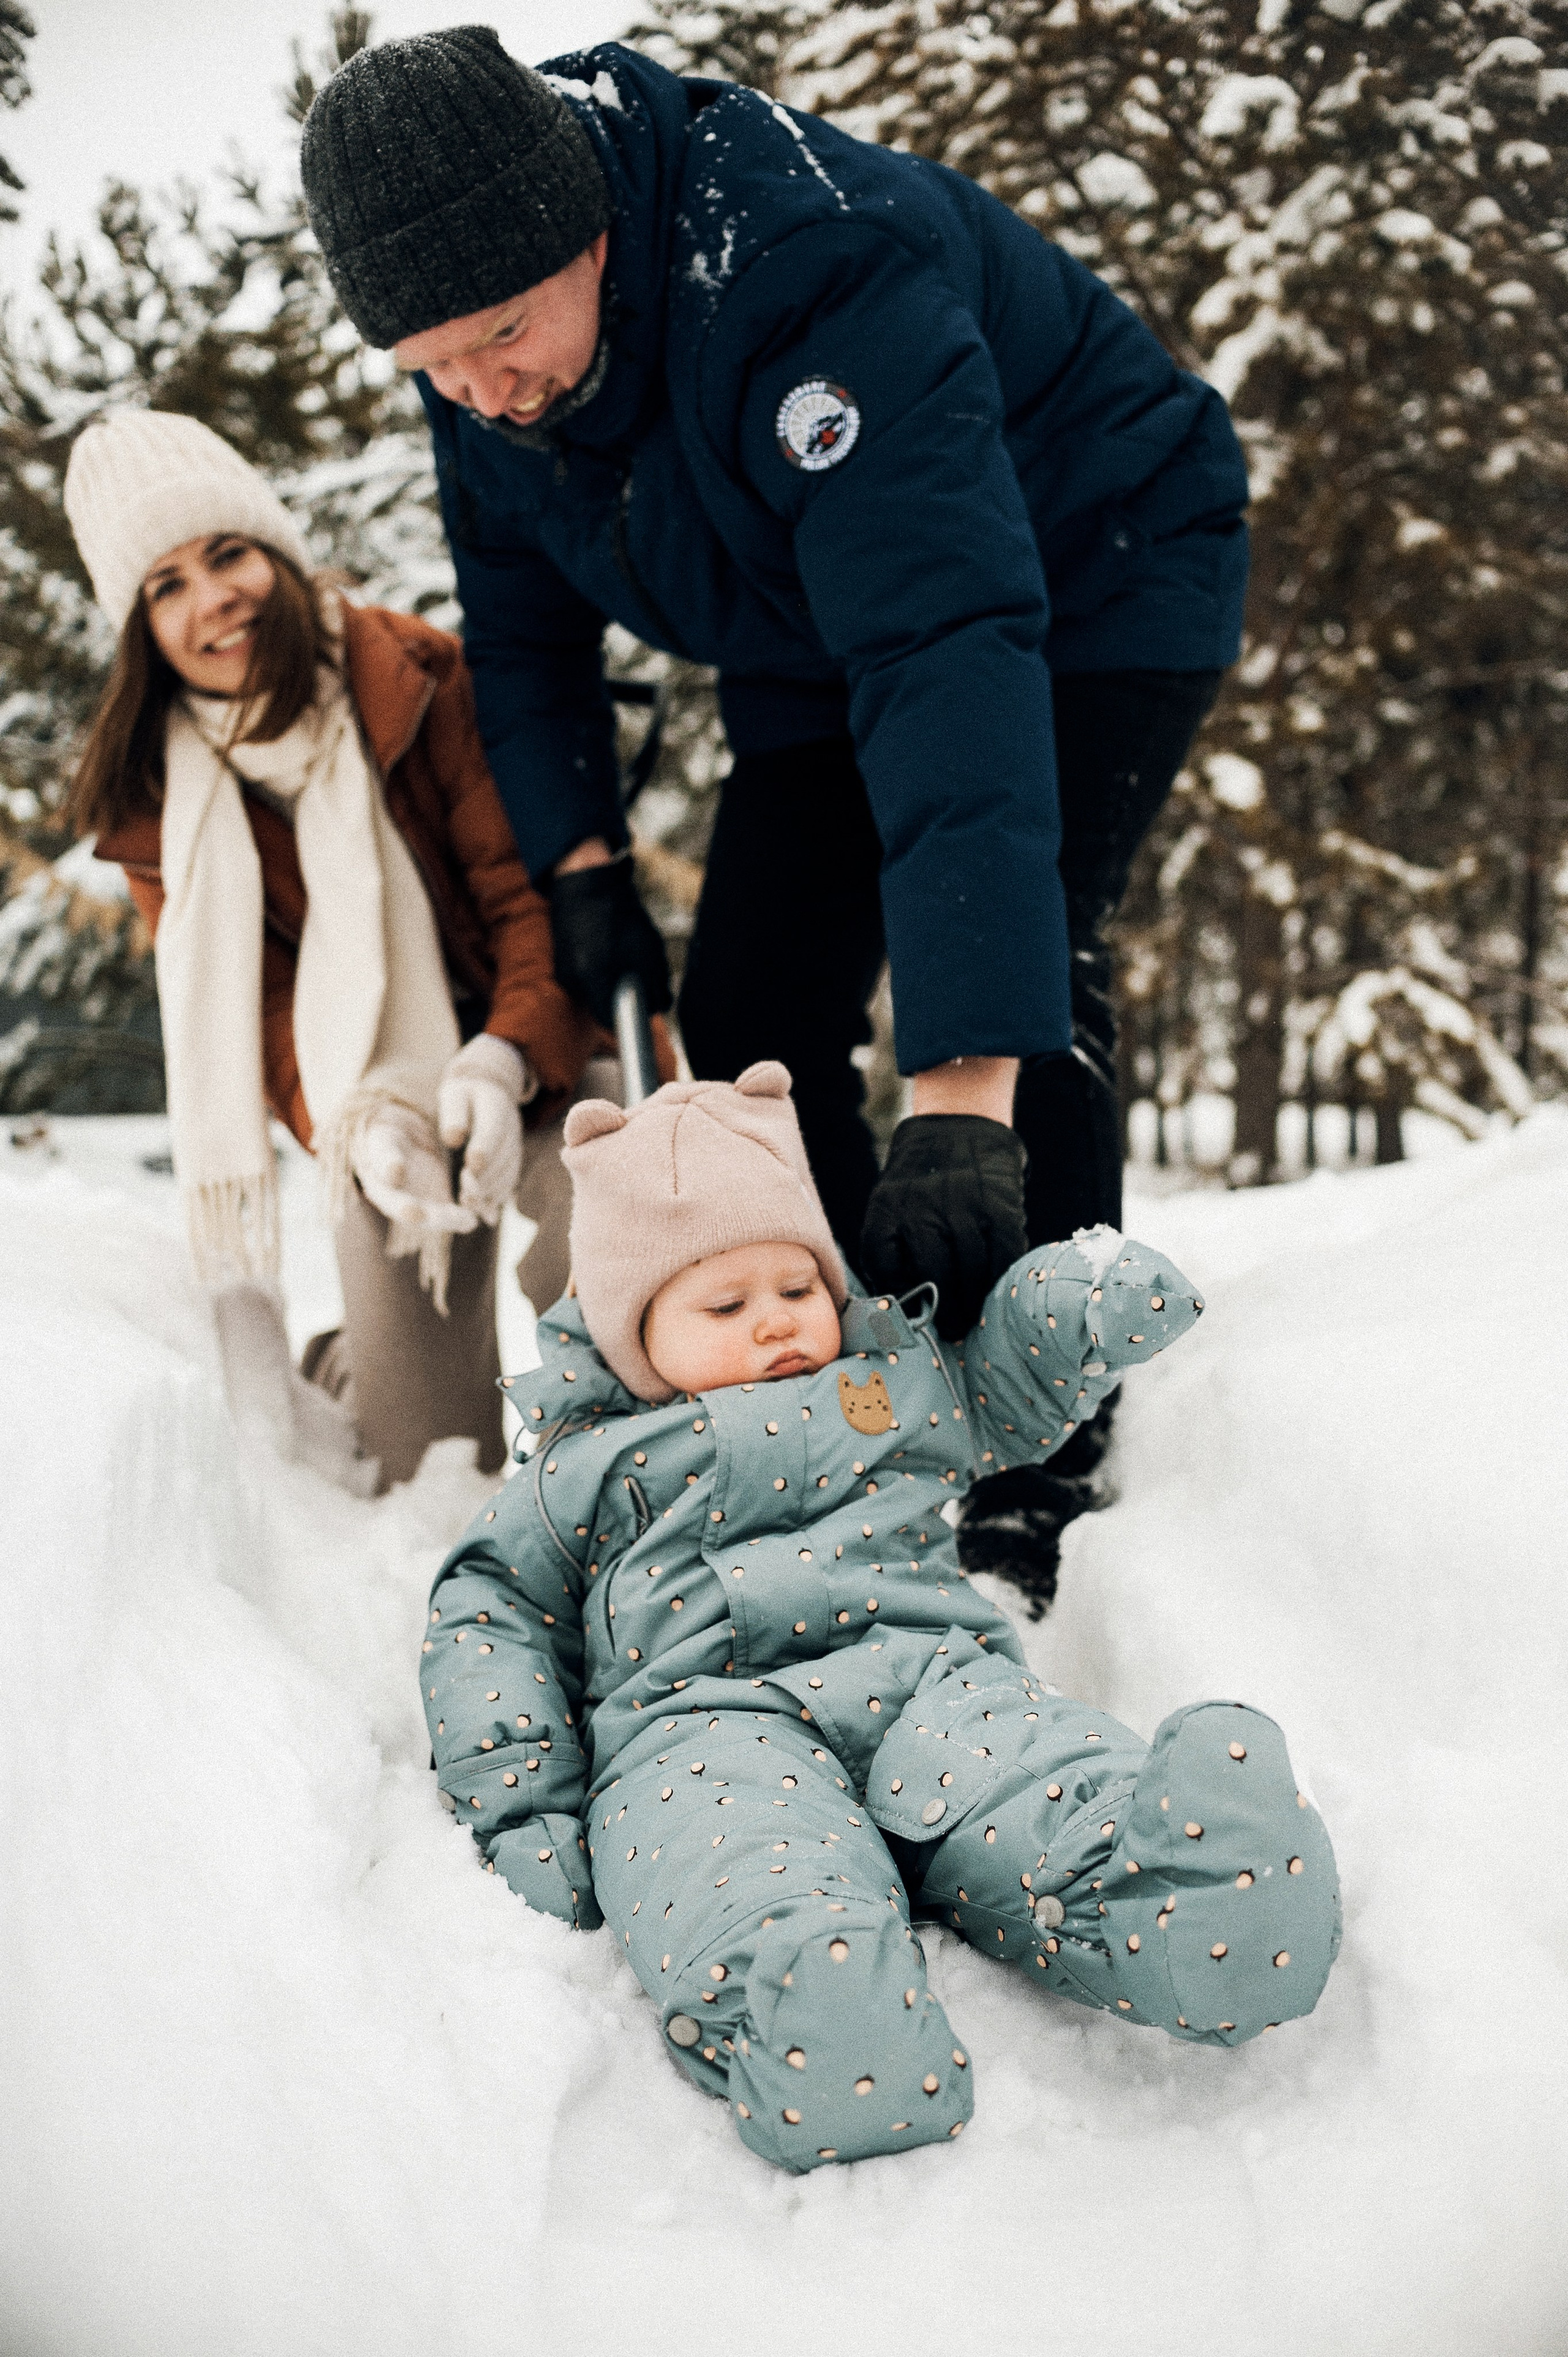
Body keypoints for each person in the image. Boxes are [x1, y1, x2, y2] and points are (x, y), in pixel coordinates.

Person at [298, 28, 1248, 1572]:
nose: (480, 391)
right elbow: (522, 632)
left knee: (1026, 980)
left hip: (1096, 566)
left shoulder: (800, 269)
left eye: (496, 334)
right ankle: (852, 1385)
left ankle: (1032, 1446)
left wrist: (956, 1092)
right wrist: (585, 868)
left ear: (587, 229)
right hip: (807, 609)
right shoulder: (480, 355)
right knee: (747, 1009)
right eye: (430, 367)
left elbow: (943, 646)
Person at [422, 1064, 1340, 2171]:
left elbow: (1002, 1388)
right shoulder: (585, 1469)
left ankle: (1187, 1893)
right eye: (725, 1305)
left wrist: (1075, 1305)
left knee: (1031, 1770)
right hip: (704, 1720)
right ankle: (814, 2016)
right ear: (633, 1338)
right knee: (735, 1852)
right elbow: (491, 1608)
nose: (775, 1324)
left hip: (928, 1679)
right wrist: (523, 1799)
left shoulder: (886, 1386)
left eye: (797, 1288)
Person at [66, 407, 614, 1491]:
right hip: (384, 1109)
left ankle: (632, 1485)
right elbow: (260, 1019)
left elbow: (525, 899)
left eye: (226, 555)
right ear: (138, 626)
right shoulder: (157, 810)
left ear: (274, 549)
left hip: (544, 1051)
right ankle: (344, 1362)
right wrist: (354, 1135)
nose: (210, 600)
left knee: (602, 1254)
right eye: (164, 585)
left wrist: (501, 1063)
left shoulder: (415, 679)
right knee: (428, 1459)